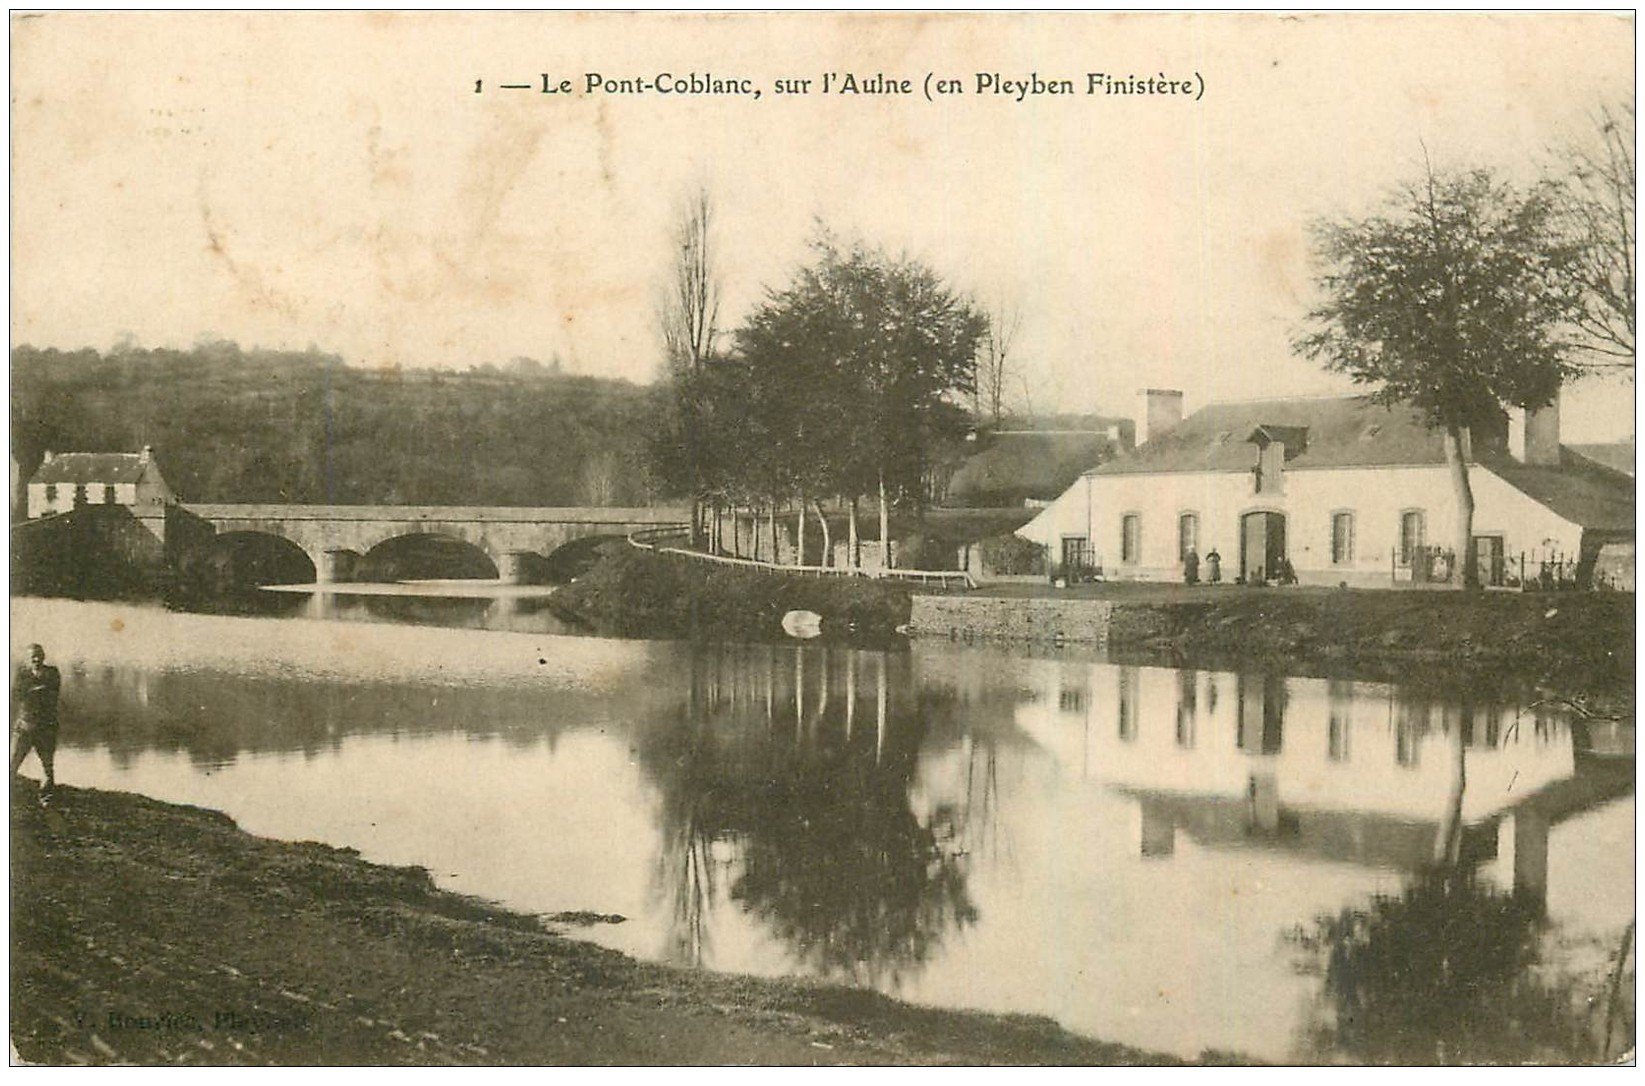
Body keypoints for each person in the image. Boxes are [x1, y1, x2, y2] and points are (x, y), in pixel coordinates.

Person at [11, 644, 61, 807]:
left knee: (47, 766)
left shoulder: (52, 672)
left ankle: (46, 797)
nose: (36, 659)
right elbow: (16, 695)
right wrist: (37, 690)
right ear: (28, 658)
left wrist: (31, 691)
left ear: (44, 656)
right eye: (33, 656)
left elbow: (52, 693)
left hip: (46, 728)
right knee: (12, 762)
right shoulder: (22, 674)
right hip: (24, 727)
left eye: (39, 655)